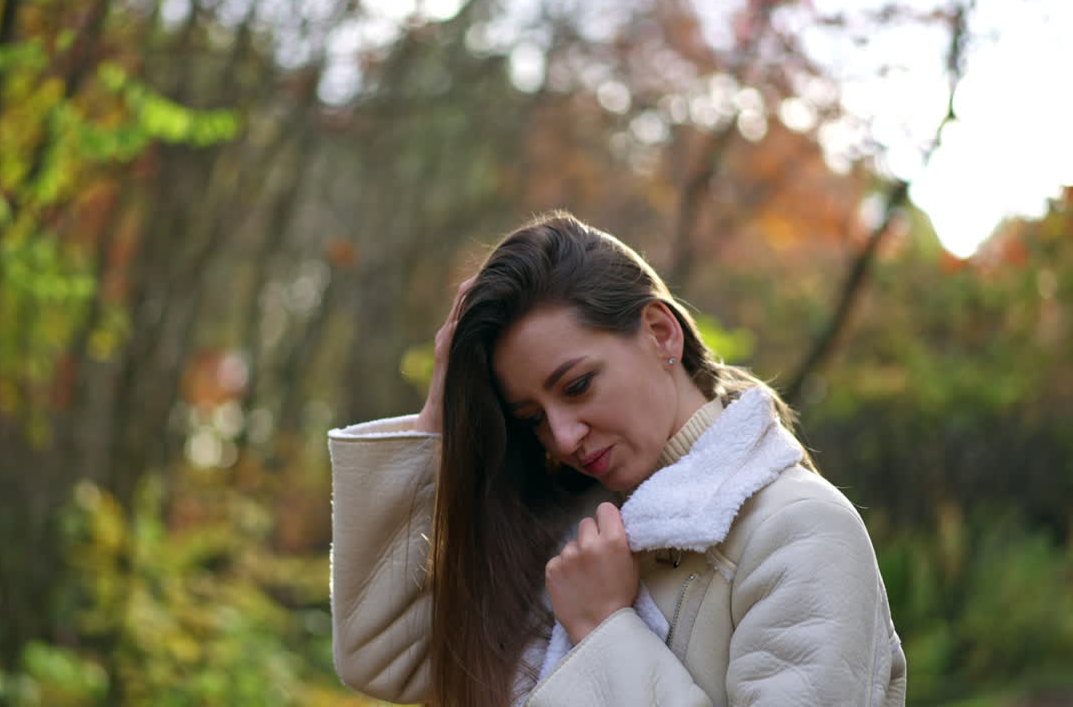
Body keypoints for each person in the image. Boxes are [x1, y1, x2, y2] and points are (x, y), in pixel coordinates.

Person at [328, 212, 906, 706]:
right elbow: (381, 655)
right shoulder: (567, 528)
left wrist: (604, 631)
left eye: (577, 386)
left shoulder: (799, 531)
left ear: (660, 334)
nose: (561, 436)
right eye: (531, 417)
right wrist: (437, 418)